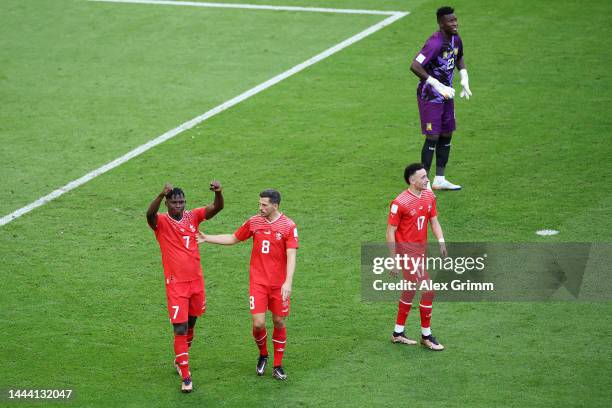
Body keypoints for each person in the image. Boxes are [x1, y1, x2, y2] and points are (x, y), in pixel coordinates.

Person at [197, 189, 298, 380]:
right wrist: (207, 237)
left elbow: (292, 255)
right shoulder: (254, 222)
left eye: (264, 205)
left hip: (279, 285)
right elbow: (234, 238)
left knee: (279, 321)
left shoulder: (288, 226)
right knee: (259, 324)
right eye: (259, 204)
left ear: (275, 205)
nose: (260, 207)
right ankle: (263, 354)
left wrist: (288, 282)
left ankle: (277, 365)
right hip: (258, 283)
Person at [146, 181, 224, 393]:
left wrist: (219, 193)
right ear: (167, 203)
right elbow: (148, 215)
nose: (179, 205)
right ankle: (186, 376)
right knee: (179, 328)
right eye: (174, 202)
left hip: (196, 282)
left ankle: (180, 360)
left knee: (191, 324)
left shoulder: (193, 216)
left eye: (181, 201)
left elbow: (217, 208)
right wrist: (160, 194)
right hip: (176, 285)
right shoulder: (161, 222)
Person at [410, 6, 472, 190]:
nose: (455, 23)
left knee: (446, 133)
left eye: (455, 20)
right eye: (450, 21)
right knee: (433, 136)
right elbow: (414, 65)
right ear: (440, 23)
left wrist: (464, 77)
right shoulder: (434, 43)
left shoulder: (455, 39)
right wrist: (436, 84)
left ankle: (440, 179)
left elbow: (458, 56)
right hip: (430, 95)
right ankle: (424, 182)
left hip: (447, 94)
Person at [387, 163, 447, 350]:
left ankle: (398, 333)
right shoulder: (400, 203)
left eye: (426, 176)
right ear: (412, 180)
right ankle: (426, 336)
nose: (427, 179)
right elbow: (390, 232)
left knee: (410, 290)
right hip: (408, 253)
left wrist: (441, 240)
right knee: (428, 291)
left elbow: (433, 220)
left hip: (421, 251)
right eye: (423, 177)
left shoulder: (429, 195)